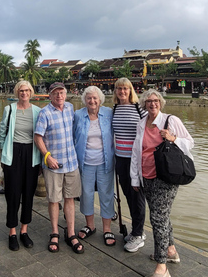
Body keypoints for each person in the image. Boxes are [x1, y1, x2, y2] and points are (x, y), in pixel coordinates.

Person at [131, 89, 195, 277]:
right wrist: (135, 178)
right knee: (162, 216)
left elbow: (190, 142)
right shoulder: (142, 123)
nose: (152, 104)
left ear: (161, 102)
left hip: (166, 177)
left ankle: (161, 267)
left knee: (157, 218)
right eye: (148, 101)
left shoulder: (171, 121)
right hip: (147, 176)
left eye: (155, 100)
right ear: (144, 104)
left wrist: (173, 138)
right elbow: (137, 153)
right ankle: (171, 250)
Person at [34, 82, 83, 254]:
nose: (59, 96)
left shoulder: (70, 108)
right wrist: (47, 156)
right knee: (54, 200)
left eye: (61, 93)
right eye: (55, 93)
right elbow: (38, 137)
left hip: (71, 163)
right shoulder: (44, 113)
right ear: (50, 95)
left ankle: (70, 232)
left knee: (70, 199)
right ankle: (54, 231)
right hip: (54, 164)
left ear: (66, 94)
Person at [0, 80, 41, 251]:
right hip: (13, 152)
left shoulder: (38, 111)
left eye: (27, 90)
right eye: (21, 91)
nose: (24, 93)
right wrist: (4, 154)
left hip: (31, 154)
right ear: (17, 92)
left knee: (28, 194)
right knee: (13, 193)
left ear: (31, 92)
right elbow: (2, 133)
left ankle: (24, 230)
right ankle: (12, 232)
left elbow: (41, 134)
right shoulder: (9, 110)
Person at [73, 86, 116, 247]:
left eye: (95, 98)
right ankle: (90, 225)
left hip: (105, 162)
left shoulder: (109, 114)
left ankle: (107, 228)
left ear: (100, 100)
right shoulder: (78, 115)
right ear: (85, 100)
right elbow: (71, 136)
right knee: (86, 194)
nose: (92, 101)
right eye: (89, 98)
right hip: (85, 162)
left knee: (106, 194)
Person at [111, 77, 148, 252]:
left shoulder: (139, 109)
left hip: (136, 160)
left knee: (137, 196)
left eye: (125, 88)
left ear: (130, 90)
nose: (122, 91)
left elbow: (151, 128)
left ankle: (139, 234)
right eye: (119, 89)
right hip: (120, 158)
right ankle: (136, 230)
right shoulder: (115, 109)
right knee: (128, 195)